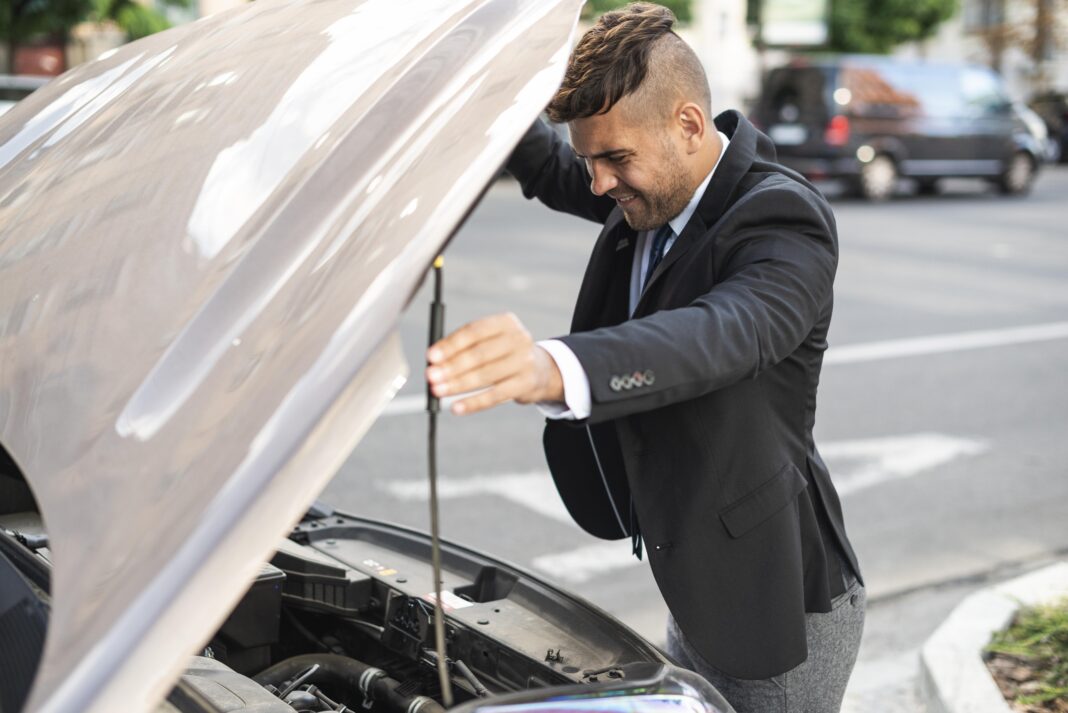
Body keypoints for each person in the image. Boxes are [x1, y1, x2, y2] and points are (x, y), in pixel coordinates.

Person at [424, 3, 864, 710]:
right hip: (701, 581)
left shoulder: (783, 218)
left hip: (777, 605)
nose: (599, 184)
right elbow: (549, 167)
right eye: (590, 159)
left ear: (687, 125)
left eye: (615, 160)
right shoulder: (651, 184)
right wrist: (482, 82)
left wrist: (554, 367)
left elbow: (724, 331)